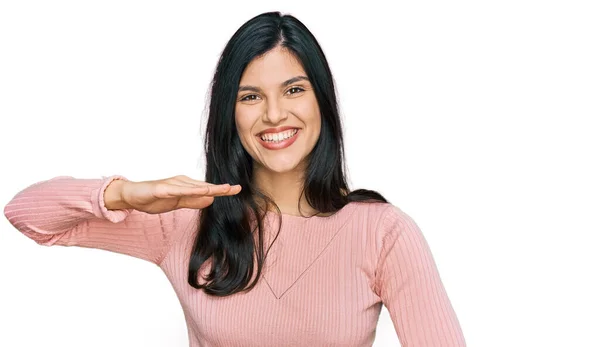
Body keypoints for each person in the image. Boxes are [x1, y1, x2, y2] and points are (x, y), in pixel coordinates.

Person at [3, 11, 466, 347]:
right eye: (250, 96)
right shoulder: (187, 220)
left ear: (321, 101)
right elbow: (27, 215)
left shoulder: (383, 232)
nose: (275, 114)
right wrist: (126, 193)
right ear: (231, 113)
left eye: (294, 89)